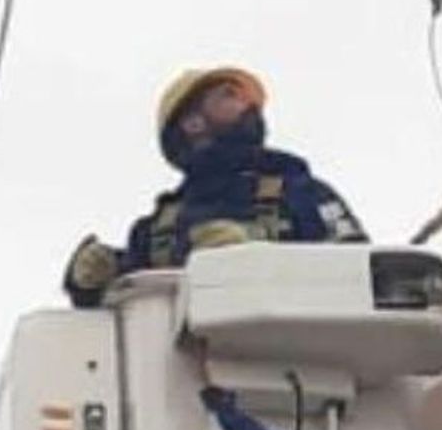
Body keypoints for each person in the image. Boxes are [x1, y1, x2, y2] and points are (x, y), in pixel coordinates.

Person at [64, 67, 367, 307]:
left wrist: (259, 252)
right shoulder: (158, 231)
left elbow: (362, 277)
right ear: (193, 123)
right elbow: (122, 303)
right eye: (230, 95)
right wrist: (87, 278)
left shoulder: (302, 194)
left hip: (298, 375)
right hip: (180, 380)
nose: (249, 105)